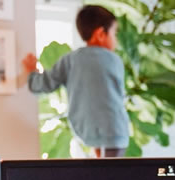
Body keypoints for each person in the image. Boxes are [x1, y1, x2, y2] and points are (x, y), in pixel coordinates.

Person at [21, 5, 129, 157]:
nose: (115, 40)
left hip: (86, 129)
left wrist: (32, 72)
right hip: (115, 131)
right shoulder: (114, 60)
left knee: (102, 165)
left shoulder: (70, 60)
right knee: (111, 168)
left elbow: (44, 84)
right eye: (114, 34)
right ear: (100, 34)